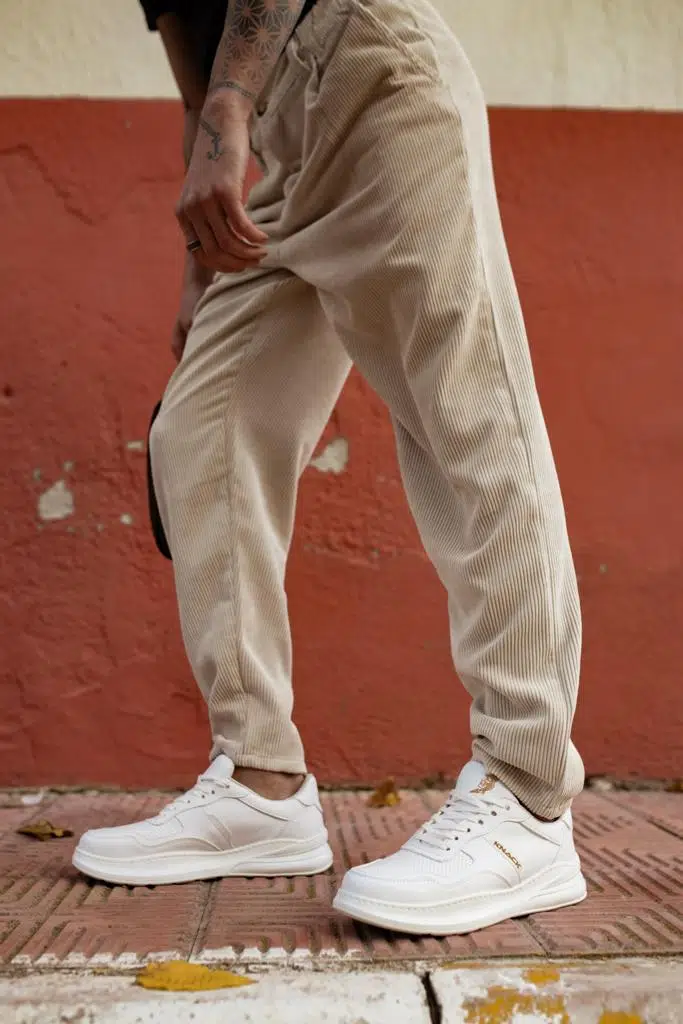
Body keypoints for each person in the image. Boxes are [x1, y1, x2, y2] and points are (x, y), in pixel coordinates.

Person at [72, 0, 587, 935]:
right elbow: (194, 50)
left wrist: (231, 103)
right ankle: (260, 784)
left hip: (368, 72)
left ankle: (527, 796)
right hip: (273, 142)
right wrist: (198, 263)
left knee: (466, 417)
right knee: (203, 426)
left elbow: (218, 86)